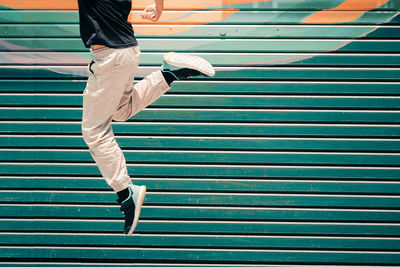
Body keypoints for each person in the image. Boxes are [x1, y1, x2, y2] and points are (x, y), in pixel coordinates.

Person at [77, 0, 215, 236]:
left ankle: (125, 192)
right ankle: (169, 73)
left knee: (94, 131)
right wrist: (159, 7)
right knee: (121, 111)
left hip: (110, 56)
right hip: (126, 51)